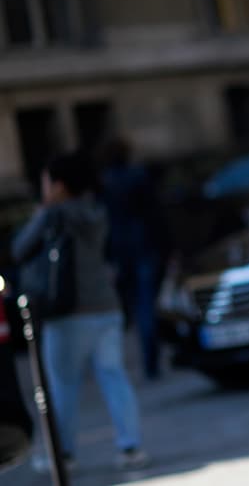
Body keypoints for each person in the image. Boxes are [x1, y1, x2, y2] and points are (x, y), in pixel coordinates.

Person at [12, 151, 149, 472]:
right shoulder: (95, 211)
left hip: (68, 312)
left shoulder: (53, 215)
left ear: (58, 186)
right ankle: (131, 447)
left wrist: (41, 212)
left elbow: (19, 249)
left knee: (61, 385)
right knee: (114, 378)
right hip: (106, 306)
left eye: (46, 182)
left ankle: (63, 454)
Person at [98, 137, 166, 380]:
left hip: (122, 249)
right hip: (142, 246)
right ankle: (151, 360)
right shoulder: (136, 177)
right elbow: (154, 213)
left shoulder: (107, 182)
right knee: (146, 304)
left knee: (137, 305)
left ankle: (149, 358)